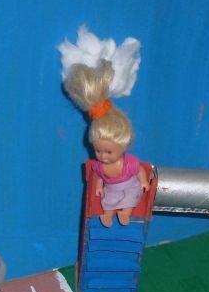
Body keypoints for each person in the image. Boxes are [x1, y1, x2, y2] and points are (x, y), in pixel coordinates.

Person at [63, 61, 149, 226]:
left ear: (124, 146)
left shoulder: (128, 163)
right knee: (108, 201)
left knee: (131, 196)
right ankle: (108, 215)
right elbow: (99, 177)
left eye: (108, 152)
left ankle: (125, 213)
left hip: (129, 186)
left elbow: (139, 170)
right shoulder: (99, 166)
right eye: (98, 151)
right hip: (111, 189)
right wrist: (99, 187)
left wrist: (144, 181)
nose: (103, 156)